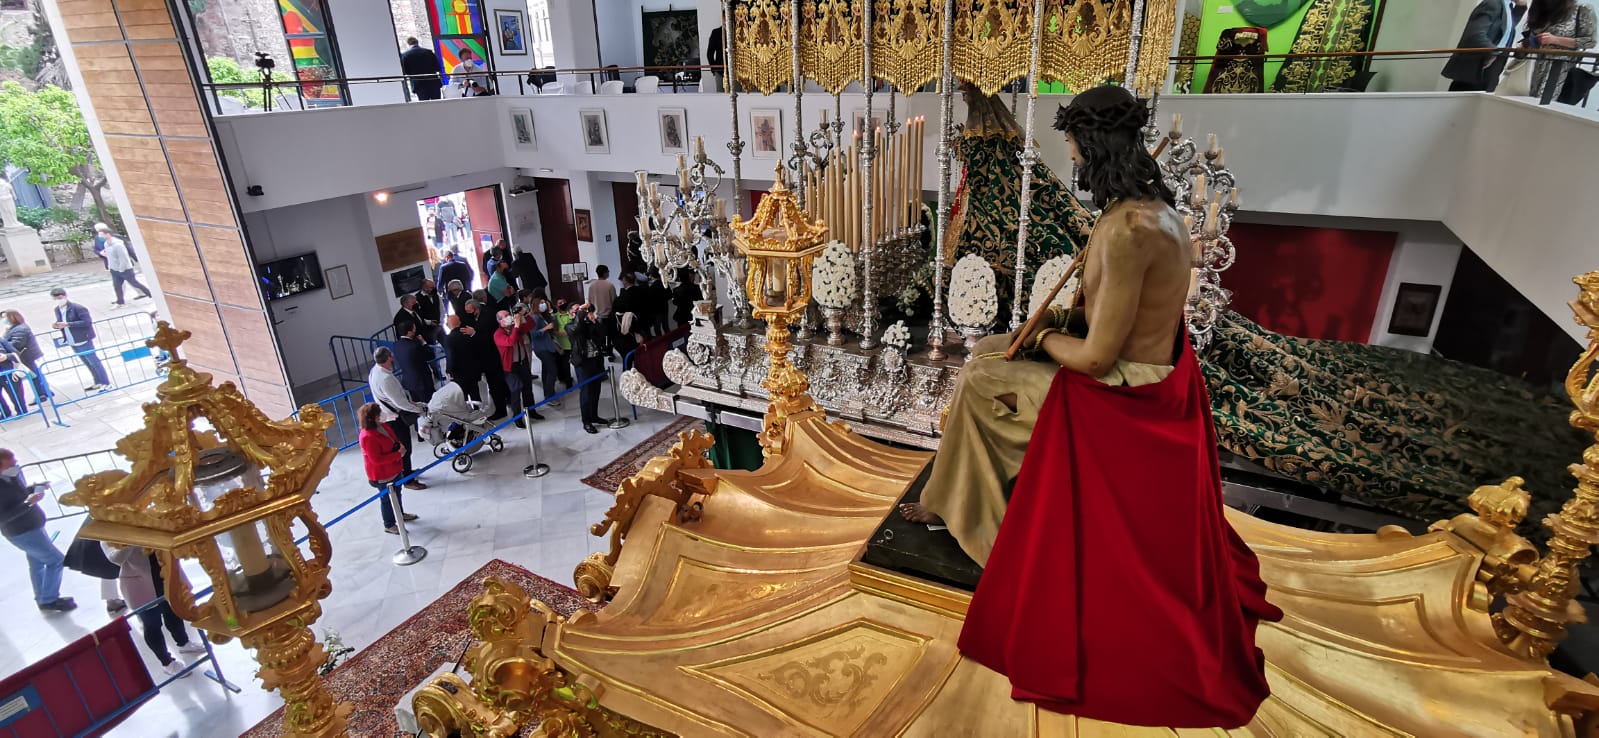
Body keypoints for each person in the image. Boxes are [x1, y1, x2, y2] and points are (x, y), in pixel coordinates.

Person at [903, 86, 1278, 728]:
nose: (1070, 155)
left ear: (1094, 146)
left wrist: (1044, 334)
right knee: (989, 351)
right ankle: (956, 498)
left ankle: (990, 539)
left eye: (1073, 144)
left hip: (1122, 395)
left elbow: (1101, 358)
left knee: (978, 383)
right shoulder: (1149, 211)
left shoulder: (1131, 230)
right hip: (1141, 370)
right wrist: (1043, 325)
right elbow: (1117, 317)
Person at [105, 543, 203, 677]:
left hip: (165, 575)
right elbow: (116, 558)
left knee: (174, 612)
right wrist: (132, 538)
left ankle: (183, 642)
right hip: (140, 584)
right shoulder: (107, 533)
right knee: (152, 624)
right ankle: (167, 663)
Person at [0, 449, 76, 612]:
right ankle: (49, 600)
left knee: (37, 562)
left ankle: (42, 596)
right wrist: (28, 503)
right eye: (10, 465)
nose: (15, 467)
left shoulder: (11, 476)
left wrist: (34, 488)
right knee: (56, 560)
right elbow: (3, 517)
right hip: (21, 531)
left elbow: (18, 494)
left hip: (33, 525)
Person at [368, 347, 429, 491]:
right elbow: (399, 402)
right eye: (391, 357)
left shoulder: (375, 371)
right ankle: (407, 478)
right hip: (394, 417)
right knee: (404, 448)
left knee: (403, 447)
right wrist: (418, 409)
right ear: (387, 359)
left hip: (389, 415)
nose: (393, 359)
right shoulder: (385, 378)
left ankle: (406, 472)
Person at [1444, 0, 1532, 91]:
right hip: (1478, 67)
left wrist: (1520, 7)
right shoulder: (1492, 3)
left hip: (1492, 67)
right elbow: (1475, 34)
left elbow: (1505, 30)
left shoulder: (1506, 6)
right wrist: (1493, 52)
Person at [358, 402, 417, 535]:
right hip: (383, 474)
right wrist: (398, 455)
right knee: (386, 499)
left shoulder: (382, 426)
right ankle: (389, 524)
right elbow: (376, 459)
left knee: (397, 493)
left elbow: (393, 437)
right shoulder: (367, 436)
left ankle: (400, 514)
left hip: (394, 468)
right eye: (378, 414)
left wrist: (400, 446)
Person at [1526, 0, 1596, 99]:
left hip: (1559, 67)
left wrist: (1556, 40)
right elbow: (1529, 32)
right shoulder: (1541, 7)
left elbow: (1589, 42)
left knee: (1545, 103)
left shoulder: (1581, 8)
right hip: (1531, 66)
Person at [51, 287, 111, 392]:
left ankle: (105, 382)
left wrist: (68, 324)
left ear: (65, 296)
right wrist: (57, 325)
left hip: (83, 339)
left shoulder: (77, 308)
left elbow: (86, 322)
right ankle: (98, 381)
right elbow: (61, 321)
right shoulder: (57, 310)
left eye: (60, 297)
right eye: (56, 298)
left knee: (94, 361)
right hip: (72, 339)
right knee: (87, 362)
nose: (59, 300)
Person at [492, 309, 544, 426]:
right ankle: (517, 417)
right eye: (505, 316)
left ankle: (532, 410)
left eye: (509, 314)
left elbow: (530, 325)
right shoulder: (498, 334)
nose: (509, 317)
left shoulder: (515, 328)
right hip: (510, 367)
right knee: (515, 391)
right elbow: (510, 342)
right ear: (500, 321)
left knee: (528, 388)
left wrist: (524, 315)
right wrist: (516, 326)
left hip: (522, 362)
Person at [569, 304, 612, 434]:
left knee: (596, 390)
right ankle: (586, 421)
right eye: (577, 311)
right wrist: (581, 314)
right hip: (583, 364)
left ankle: (594, 416)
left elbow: (603, 333)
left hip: (596, 360)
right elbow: (577, 331)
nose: (582, 312)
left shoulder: (589, 324)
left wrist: (593, 321)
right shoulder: (570, 326)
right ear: (572, 314)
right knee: (586, 393)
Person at [466, 299, 510, 420]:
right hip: (490, 356)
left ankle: (501, 410)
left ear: (476, 309)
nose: (468, 314)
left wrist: (473, 333)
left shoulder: (487, 317)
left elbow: (486, 337)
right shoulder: (482, 314)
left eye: (470, 311)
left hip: (491, 357)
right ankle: (508, 399)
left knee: (495, 384)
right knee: (500, 382)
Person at [98, 224, 152, 307]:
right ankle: (120, 302)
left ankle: (150, 294)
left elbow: (123, 258)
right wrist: (104, 255)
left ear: (107, 234)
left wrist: (121, 269)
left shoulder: (118, 245)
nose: (99, 237)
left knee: (135, 283)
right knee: (117, 286)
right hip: (114, 269)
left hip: (125, 269)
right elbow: (111, 255)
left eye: (101, 235)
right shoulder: (106, 244)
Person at [4, 309, 49, 401]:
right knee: (35, 374)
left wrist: (4, 347)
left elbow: (16, 343)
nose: (4, 320)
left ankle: (41, 394)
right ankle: (45, 392)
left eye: (5, 317)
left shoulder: (20, 329)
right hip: (26, 355)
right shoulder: (13, 328)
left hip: (26, 356)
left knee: (34, 375)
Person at [528, 297, 565, 408]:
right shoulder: (534, 317)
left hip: (548, 346)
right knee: (552, 370)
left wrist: (550, 314)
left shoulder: (543, 316)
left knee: (546, 371)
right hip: (541, 348)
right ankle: (549, 395)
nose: (544, 305)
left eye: (545, 303)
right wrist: (545, 328)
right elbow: (533, 334)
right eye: (541, 303)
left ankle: (548, 392)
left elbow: (554, 325)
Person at [393, 320, 439, 405]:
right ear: (409, 332)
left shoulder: (397, 345)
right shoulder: (414, 346)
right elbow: (430, 355)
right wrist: (424, 343)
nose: (415, 331)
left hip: (410, 382)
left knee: (418, 405)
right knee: (431, 404)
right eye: (414, 329)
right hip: (422, 382)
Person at [443, 314, 483, 402]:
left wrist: (449, 371)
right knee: (475, 394)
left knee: (462, 397)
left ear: (448, 325)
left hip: (459, 374)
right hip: (472, 370)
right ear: (459, 322)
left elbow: (451, 357)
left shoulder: (449, 339)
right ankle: (479, 413)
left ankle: (467, 414)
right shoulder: (468, 333)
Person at [552, 299, 577, 388]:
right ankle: (567, 382)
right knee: (564, 365)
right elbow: (554, 330)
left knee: (577, 362)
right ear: (556, 306)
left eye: (563, 302)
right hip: (562, 344)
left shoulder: (571, 314)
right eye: (560, 303)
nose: (562, 304)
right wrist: (562, 333)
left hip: (573, 343)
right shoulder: (555, 317)